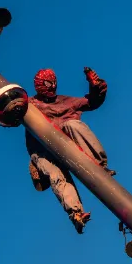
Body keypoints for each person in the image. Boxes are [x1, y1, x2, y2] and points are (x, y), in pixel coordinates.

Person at [25, 66, 111, 233]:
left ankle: (100, 166)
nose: (51, 88)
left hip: (67, 145)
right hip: (43, 151)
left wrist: (97, 86)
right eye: (47, 85)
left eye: (52, 84)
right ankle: (76, 213)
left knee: (73, 124)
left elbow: (92, 101)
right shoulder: (30, 105)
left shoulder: (66, 102)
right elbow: (13, 110)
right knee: (57, 175)